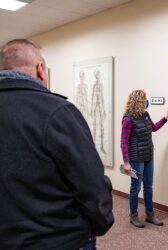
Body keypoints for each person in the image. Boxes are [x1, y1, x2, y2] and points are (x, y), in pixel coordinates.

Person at [0, 39, 114, 250]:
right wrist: (101, 222)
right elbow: (91, 183)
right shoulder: (57, 112)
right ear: (41, 70)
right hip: (58, 238)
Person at [120, 90, 168, 228]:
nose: (146, 102)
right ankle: (133, 215)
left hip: (149, 156)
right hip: (136, 159)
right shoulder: (128, 119)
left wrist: (165, 117)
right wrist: (126, 162)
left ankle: (150, 214)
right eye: (144, 100)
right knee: (135, 188)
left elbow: (153, 128)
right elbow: (124, 142)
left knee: (148, 186)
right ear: (138, 102)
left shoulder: (145, 115)